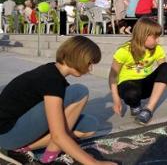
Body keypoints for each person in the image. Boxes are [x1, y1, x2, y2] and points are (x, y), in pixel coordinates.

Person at [0, 36, 116, 165]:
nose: (90, 69)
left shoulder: (54, 75)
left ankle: (21, 150)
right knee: (79, 91)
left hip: (17, 131)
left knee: (89, 125)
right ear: (79, 57)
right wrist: (94, 163)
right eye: (89, 63)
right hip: (7, 135)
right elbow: (58, 135)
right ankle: (49, 157)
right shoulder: (51, 79)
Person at [108, 17, 167, 125]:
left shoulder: (157, 49)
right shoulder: (124, 51)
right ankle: (135, 105)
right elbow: (112, 76)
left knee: (166, 66)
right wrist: (116, 99)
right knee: (132, 93)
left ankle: (148, 110)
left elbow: (166, 75)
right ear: (143, 36)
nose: (158, 40)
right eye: (155, 37)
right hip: (127, 85)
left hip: (145, 85)